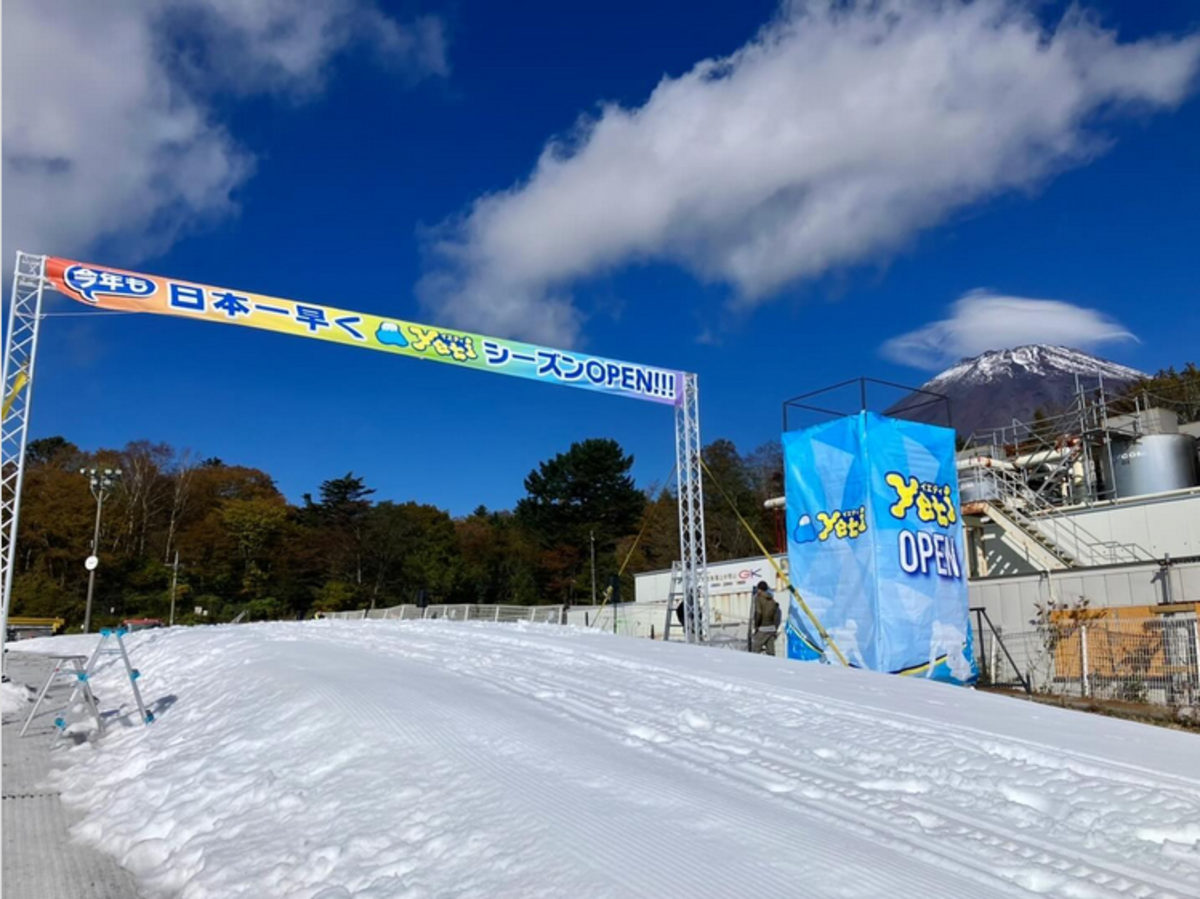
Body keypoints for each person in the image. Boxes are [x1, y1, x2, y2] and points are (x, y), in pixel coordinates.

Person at [751, 580, 781, 656]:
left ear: (759, 589)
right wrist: (775, 627)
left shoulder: (758, 598)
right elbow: (776, 615)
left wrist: (756, 626)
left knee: (755, 651)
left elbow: (758, 613)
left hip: (762, 628)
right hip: (772, 629)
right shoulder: (772, 600)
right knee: (771, 653)